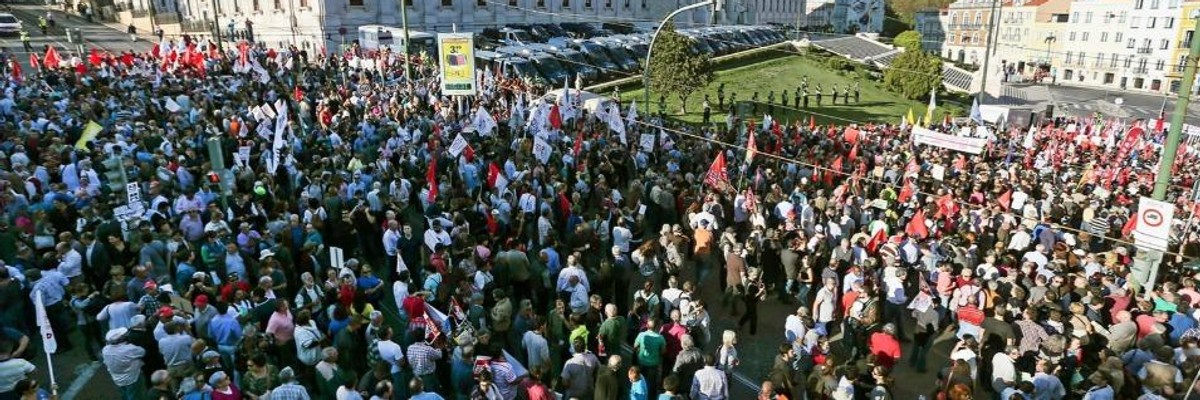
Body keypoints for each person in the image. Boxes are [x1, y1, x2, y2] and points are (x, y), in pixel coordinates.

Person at [102, 328, 146, 400]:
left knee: (124, 395)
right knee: (134, 396)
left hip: (117, 378)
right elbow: (142, 352)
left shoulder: (105, 349)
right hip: (132, 377)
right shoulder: (129, 349)